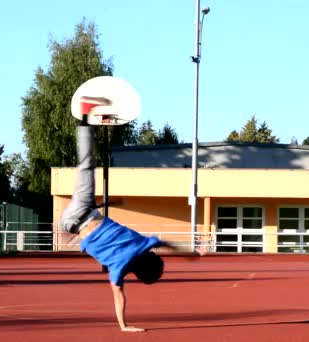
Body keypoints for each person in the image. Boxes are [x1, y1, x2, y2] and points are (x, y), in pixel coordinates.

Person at [59, 97, 207, 332]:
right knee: (89, 187)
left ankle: (85, 118)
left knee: (87, 165)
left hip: (83, 210)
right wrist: (124, 326)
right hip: (72, 223)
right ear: (137, 273)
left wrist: (193, 253)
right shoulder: (118, 270)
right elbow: (119, 297)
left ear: (150, 257)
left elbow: (170, 245)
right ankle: (88, 121)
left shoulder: (142, 244)